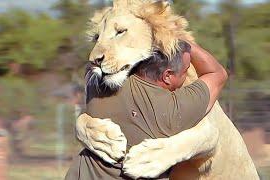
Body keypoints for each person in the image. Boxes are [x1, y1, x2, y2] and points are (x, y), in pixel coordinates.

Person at [65, 41, 228, 179]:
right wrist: (183, 39)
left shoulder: (98, 84)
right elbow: (217, 73)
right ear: (168, 76)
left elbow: (98, 56)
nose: (186, 76)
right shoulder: (174, 110)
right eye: (185, 71)